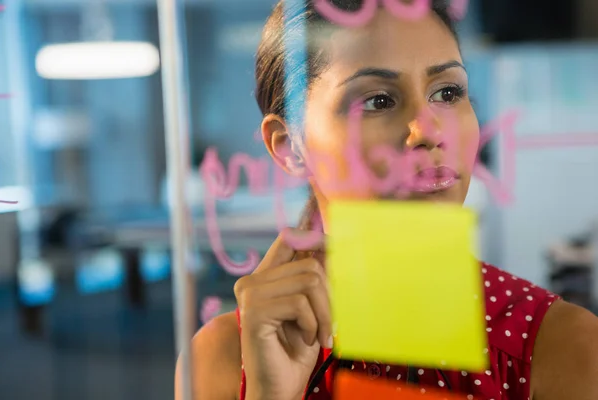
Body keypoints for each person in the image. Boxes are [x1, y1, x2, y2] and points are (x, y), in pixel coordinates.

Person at [175, 1, 598, 399]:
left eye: (448, 93)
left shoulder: (563, 348)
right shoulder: (224, 359)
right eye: (378, 101)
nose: (428, 130)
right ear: (290, 147)